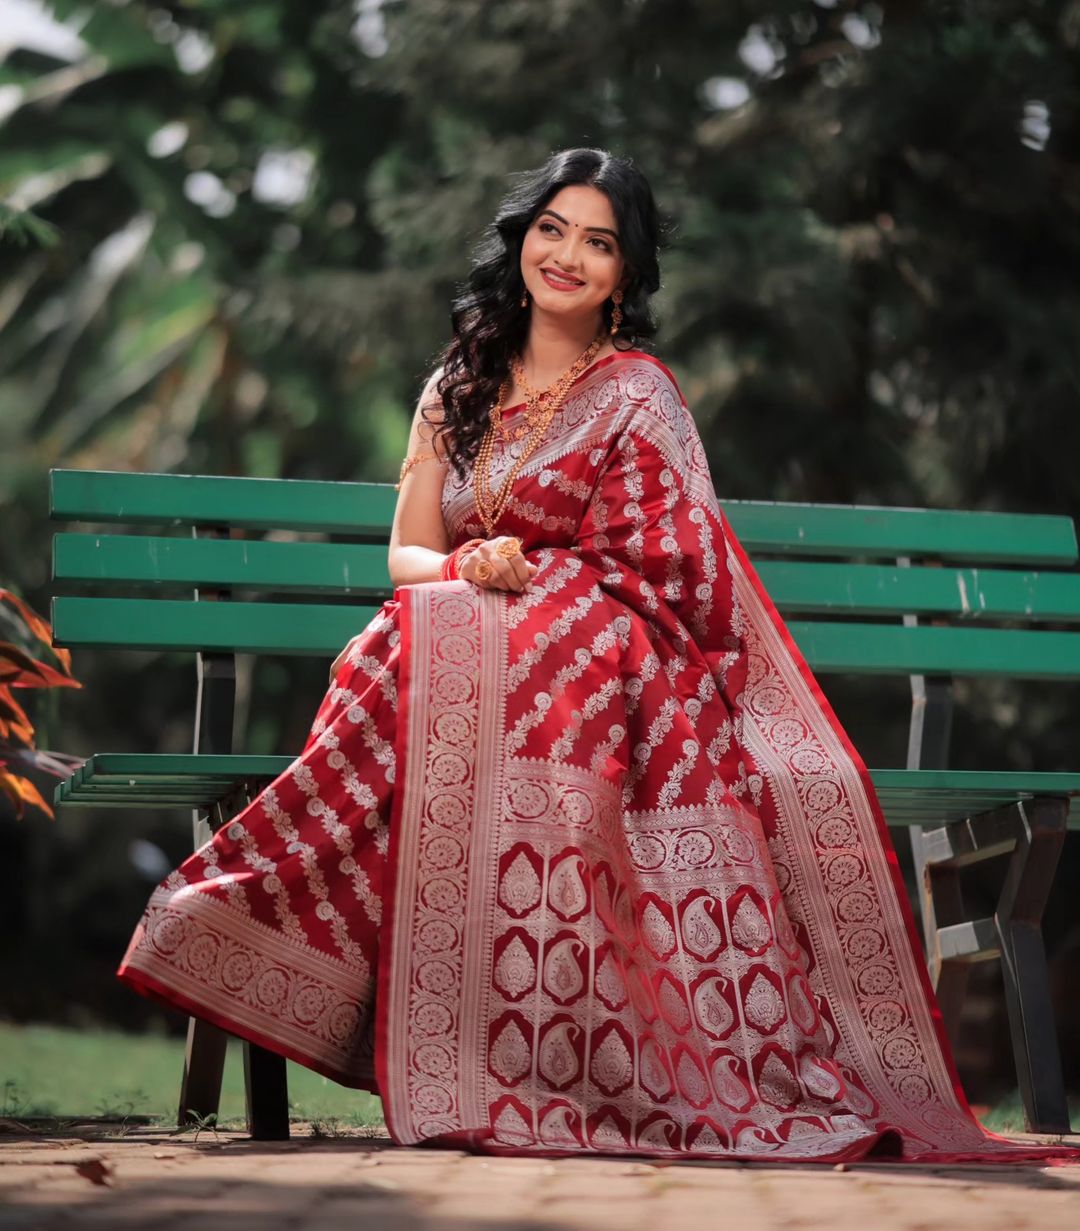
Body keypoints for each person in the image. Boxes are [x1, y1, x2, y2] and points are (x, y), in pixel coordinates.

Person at [119, 149, 1071, 1163]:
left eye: (599, 242)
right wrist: (465, 570)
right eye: (553, 229)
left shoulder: (638, 394)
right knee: (407, 635)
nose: (568, 255)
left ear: (627, 271)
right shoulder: (456, 384)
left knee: (430, 646)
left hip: (611, 665)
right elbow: (406, 552)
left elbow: (667, 570)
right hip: (458, 638)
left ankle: (282, 923)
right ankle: (256, 931)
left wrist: (536, 584)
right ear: (520, 235)